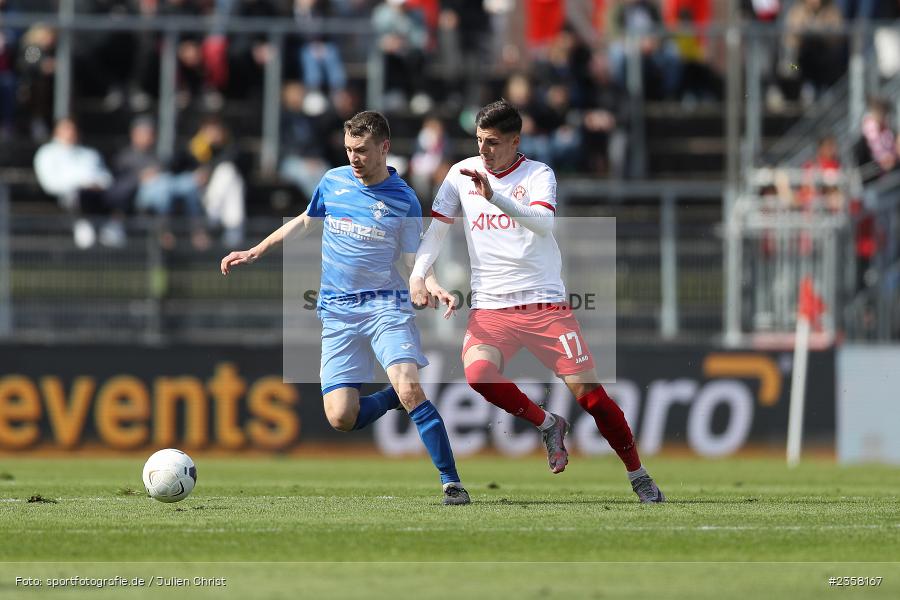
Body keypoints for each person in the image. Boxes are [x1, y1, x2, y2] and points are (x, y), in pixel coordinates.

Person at [410, 100, 665, 503]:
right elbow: (436, 231)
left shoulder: (539, 173)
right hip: (491, 307)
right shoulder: (460, 173)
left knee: (593, 398)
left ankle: (638, 473)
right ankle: (548, 424)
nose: (484, 151)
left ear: (515, 141)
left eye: (493, 143)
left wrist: (496, 197)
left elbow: (544, 225)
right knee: (477, 376)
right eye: (479, 141)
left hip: (544, 305)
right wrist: (417, 275)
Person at [220, 111, 470, 506]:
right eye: (349, 149)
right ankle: (391, 398)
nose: (355, 158)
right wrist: (256, 250)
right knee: (341, 417)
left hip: (385, 306)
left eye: (363, 150)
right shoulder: (332, 182)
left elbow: (412, 261)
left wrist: (431, 285)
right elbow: (304, 221)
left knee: (410, 388)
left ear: (384, 148)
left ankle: (451, 482)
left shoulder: (403, 199)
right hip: (336, 311)